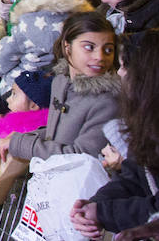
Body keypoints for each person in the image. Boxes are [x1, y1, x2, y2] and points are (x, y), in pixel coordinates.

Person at [0, 11, 120, 165]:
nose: (100, 57)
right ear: (67, 48)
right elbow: (55, 132)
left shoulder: (107, 102)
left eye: (108, 50)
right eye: (89, 47)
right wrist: (19, 137)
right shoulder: (60, 81)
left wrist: (21, 143)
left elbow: (81, 155)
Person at [73, 29, 159, 237]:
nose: (119, 73)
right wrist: (97, 204)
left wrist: (104, 212)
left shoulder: (109, 104)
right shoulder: (147, 123)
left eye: (124, 66)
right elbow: (134, 177)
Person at [0, 0, 91, 94]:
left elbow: (2, 61)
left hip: (20, 89)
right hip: (59, 90)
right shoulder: (82, 24)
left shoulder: (27, 25)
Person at [0, 69, 52, 140]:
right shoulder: (15, 121)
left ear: (33, 105)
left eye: (14, 94)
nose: (8, 99)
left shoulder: (31, 135)